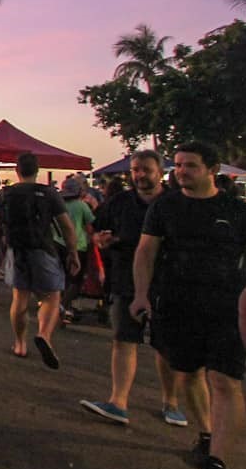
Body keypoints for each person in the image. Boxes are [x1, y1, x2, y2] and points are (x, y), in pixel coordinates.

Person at [131, 141, 246, 469]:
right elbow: (146, 252)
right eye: (178, 165)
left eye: (190, 166)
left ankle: (218, 467)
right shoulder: (166, 207)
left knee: (225, 382)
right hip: (178, 305)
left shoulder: (236, 209)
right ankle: (208, 434)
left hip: (227, 307)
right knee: (187, 375)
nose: (181, 171)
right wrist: (140, 295)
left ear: (213, 170)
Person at [80, 149, 203, 432]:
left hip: (167, 283)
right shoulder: (119, 202)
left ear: (161, 172)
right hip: (125, 280)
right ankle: (118, 402)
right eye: (135, 169)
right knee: (124, 339)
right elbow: (96, 230)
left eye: (146, 169)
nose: (139, 175)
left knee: (165, 346)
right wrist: (100, 239)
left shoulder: (175, 203)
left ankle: (171, 402)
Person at [0, 153, 80, 368]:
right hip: (43, 249)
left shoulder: (4, 194)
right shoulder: (49, 193)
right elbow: (67, 227)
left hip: (16, 249)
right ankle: (44, 334)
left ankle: (20, 343)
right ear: (37, 170)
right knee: (52, 295)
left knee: (19, 298)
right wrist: (73, 253)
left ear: (17, 170)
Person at [59, 177, 96, 323]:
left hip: (58, 245)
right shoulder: (82, 206)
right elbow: (90, 227)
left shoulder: (58, 205)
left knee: (62, 279)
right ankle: (63, 306)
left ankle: (59, 306)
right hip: (78, 246)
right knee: (76, 280)